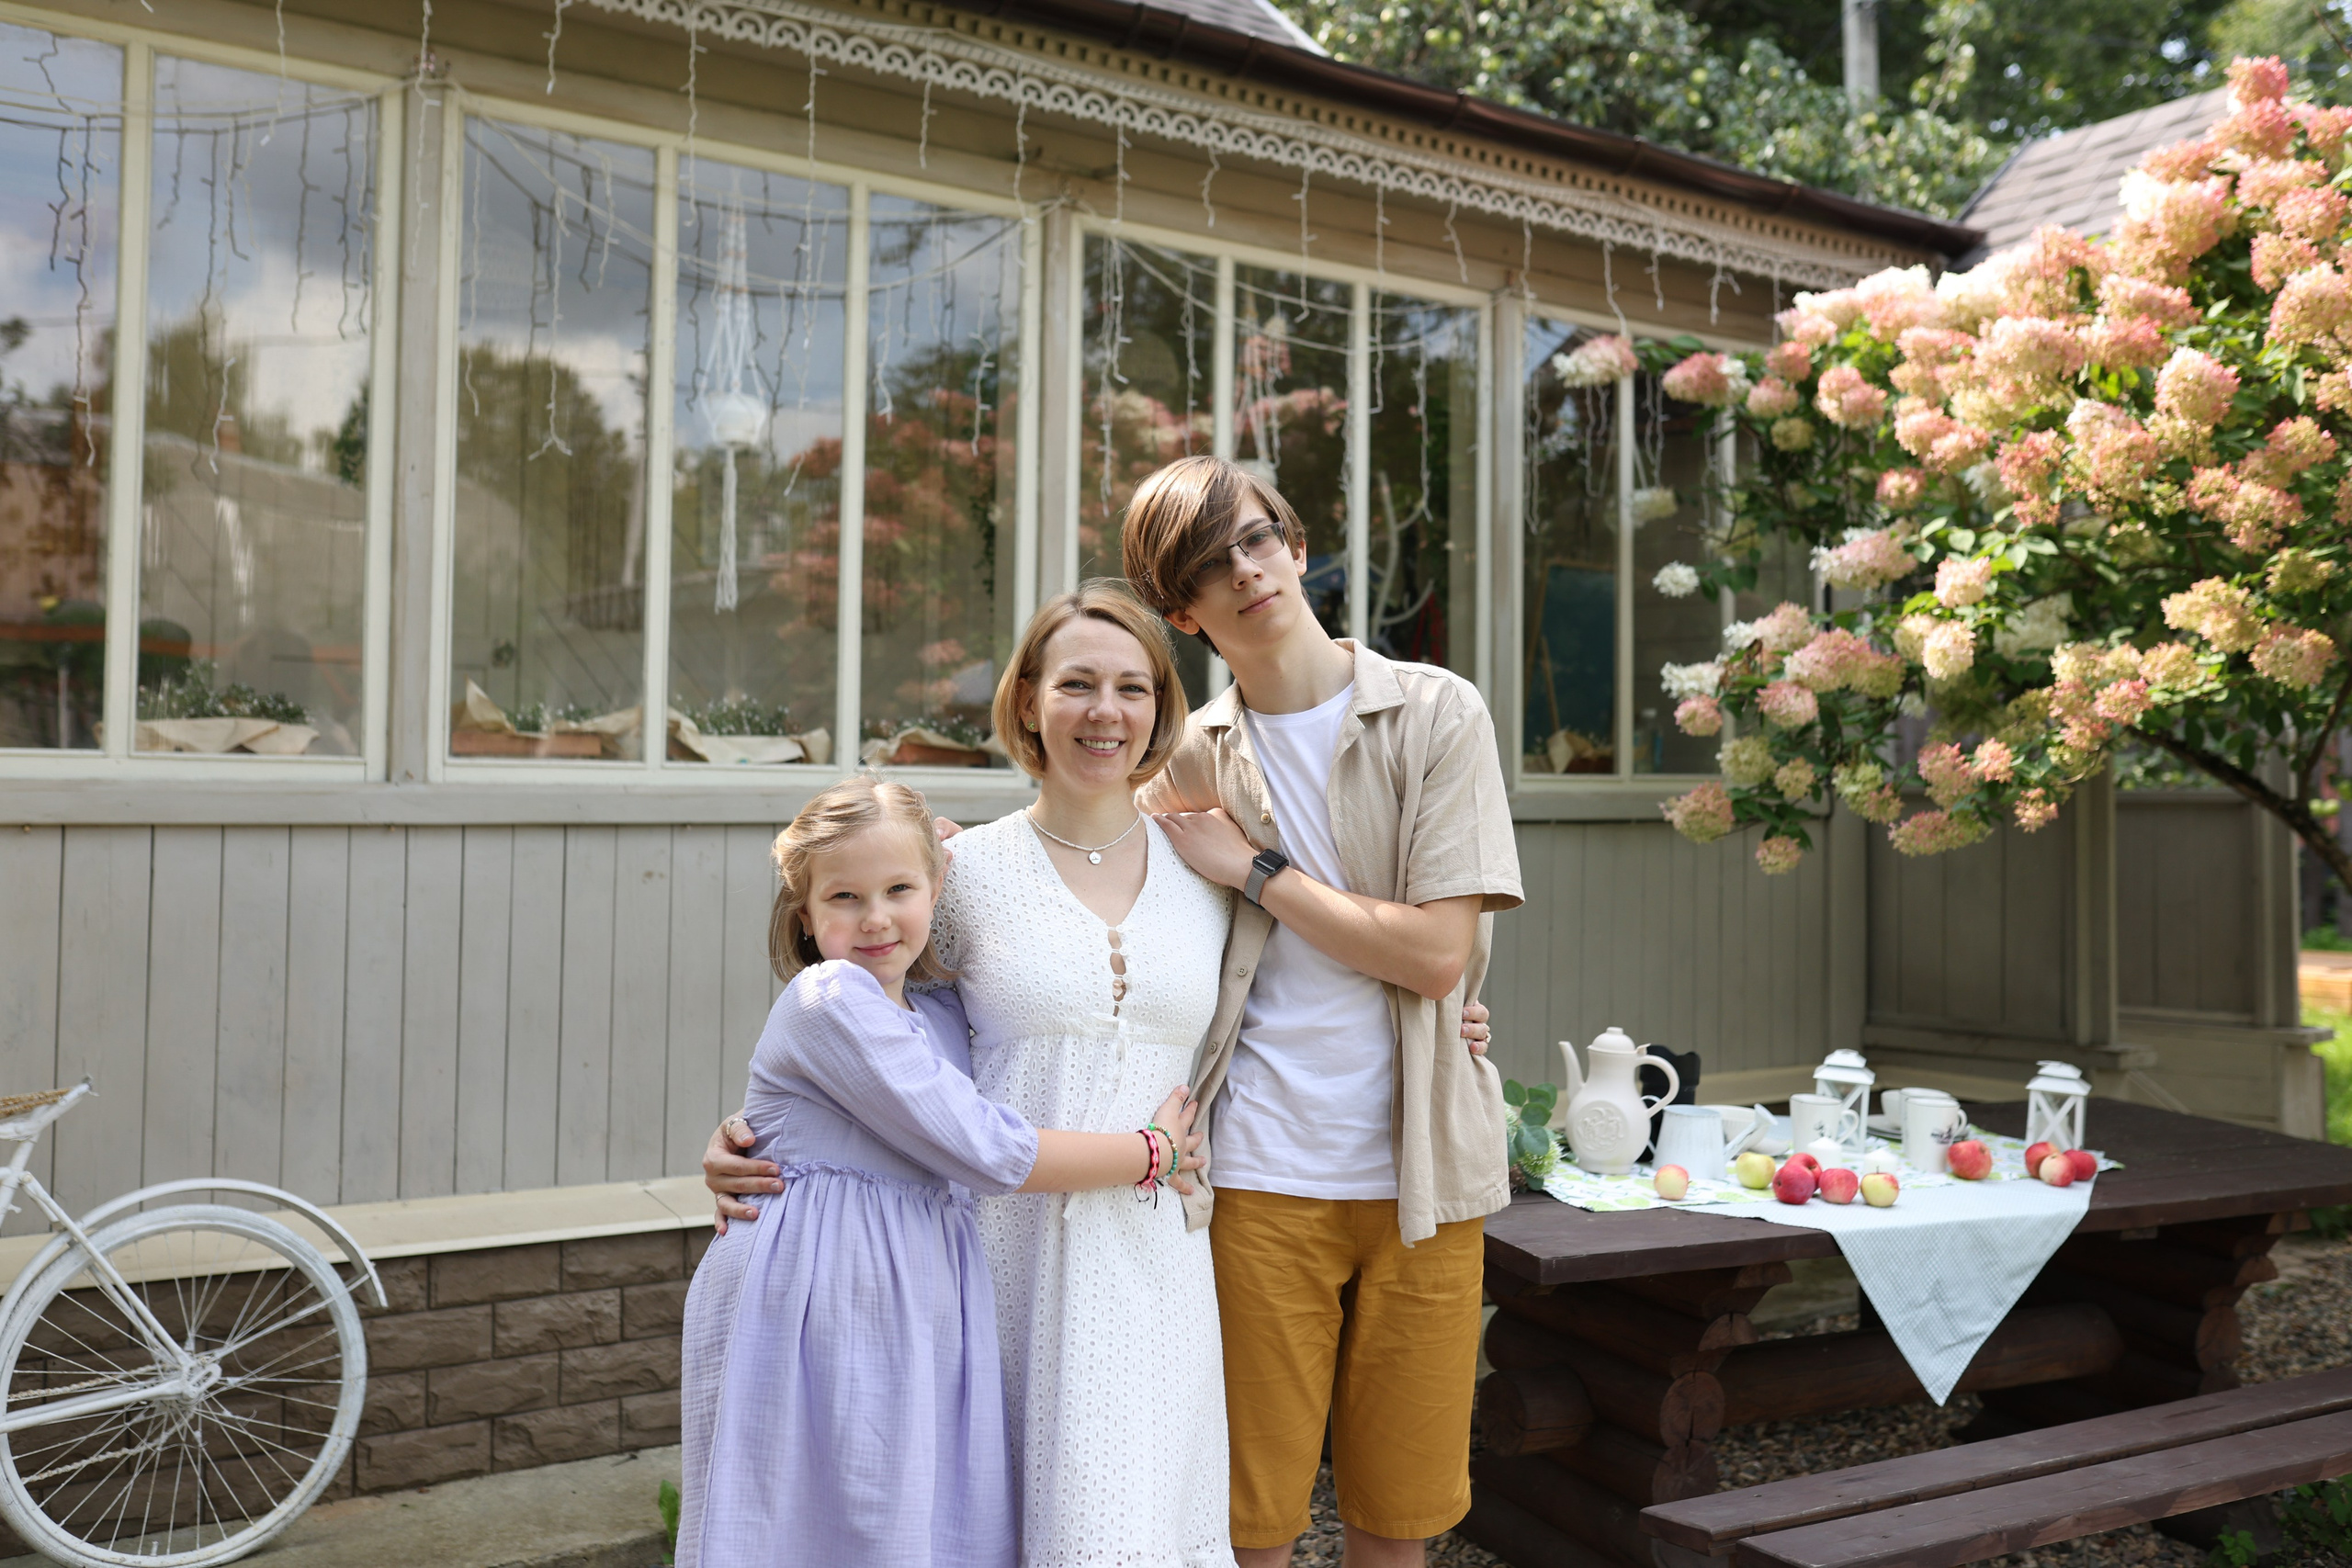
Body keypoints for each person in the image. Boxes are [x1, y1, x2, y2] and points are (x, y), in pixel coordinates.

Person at [1128, 455, 1522, 1568]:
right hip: (1256, 1176)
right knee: (1249, 1520)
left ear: (1296, 547)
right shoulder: (1181, 761)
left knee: (1400, 1519)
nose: (1244, 571)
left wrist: (1254, 868)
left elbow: (1440, 956)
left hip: (1425, 1177)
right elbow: (1052, 879)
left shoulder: (1438, 712)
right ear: (1183, 612)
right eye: (1209, 565)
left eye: (1256, 539)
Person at [677, 773, 1204, 1568]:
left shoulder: (937, 1013)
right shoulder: (829, 998)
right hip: (817, 1289)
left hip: (914, 1290)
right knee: (815, 1520)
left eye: (899, 887)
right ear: (806, 915)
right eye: (845, 898)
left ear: (936, 886)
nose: (877, 917)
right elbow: (986, 1147)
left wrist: (952, 856)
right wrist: (1151, 1152)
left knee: (911, 1518)